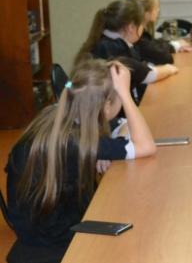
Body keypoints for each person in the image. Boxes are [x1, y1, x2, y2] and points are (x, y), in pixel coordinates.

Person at [5, 60, 157, 263]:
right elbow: (147, 146)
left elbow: (123, 125)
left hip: (36, 220)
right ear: (106, 106)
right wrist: (126, 94)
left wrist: (111, 145)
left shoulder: (60, 115)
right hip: (51, 235)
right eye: (119, 99)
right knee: (137, 235)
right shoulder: (78, 141)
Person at [75, 0, 178, 104]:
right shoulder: (115, 48)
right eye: (142, 25)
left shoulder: (104, 40)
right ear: (131, 27)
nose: (143, 29)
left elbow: (139, 68)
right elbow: (149, 75)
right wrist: (170, 69)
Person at [129, 0, 192, 65]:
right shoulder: (136, 35)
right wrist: (176, 45)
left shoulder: (141, 32)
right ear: (146, 13)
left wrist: (175, 45)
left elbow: (154, 44)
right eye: (156, 8)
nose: (158, 10)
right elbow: (165, 58)